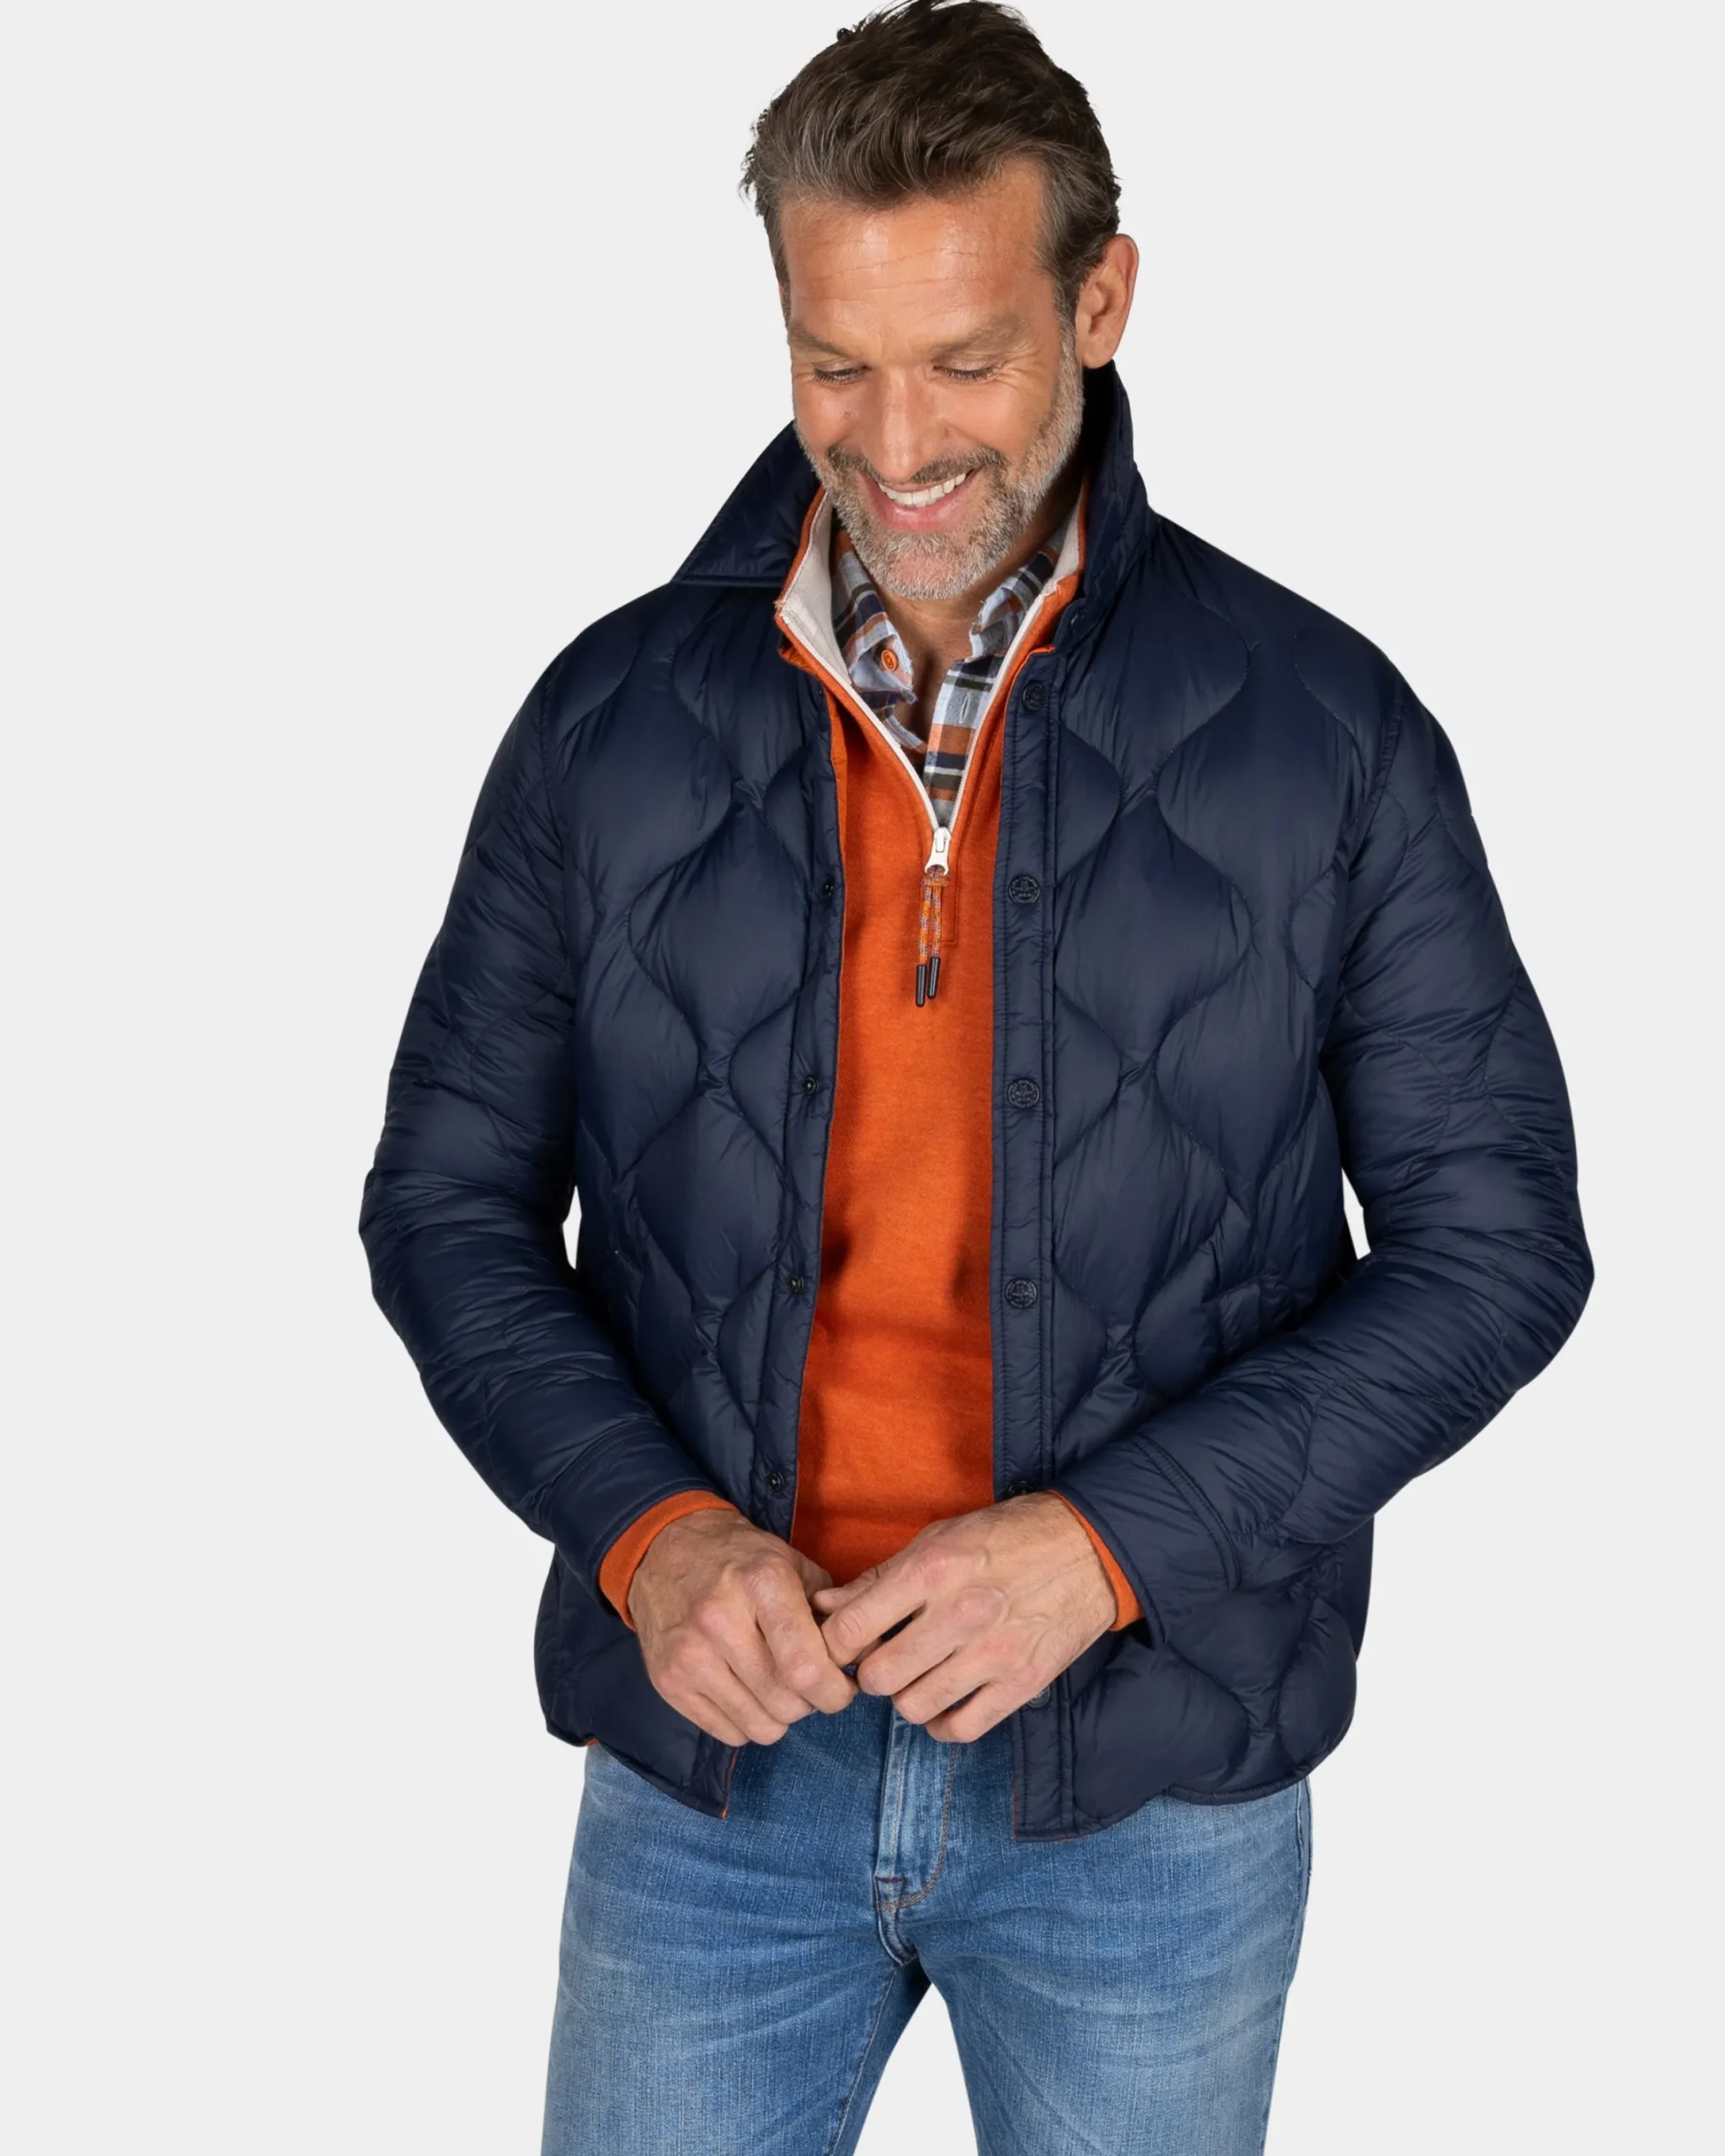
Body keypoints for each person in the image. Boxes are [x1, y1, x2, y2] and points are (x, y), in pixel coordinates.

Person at [359, 3, 1593, 2148]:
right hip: (715, 1771)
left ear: (1099, 303)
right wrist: (650, 1535)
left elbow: (1496, 1249)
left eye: (962, 360)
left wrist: (1105, 1548)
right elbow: (444, 1201)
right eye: (833, 361)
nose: (896, 440)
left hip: (1151, 1776)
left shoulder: (1327, 731)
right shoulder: (604, 720)